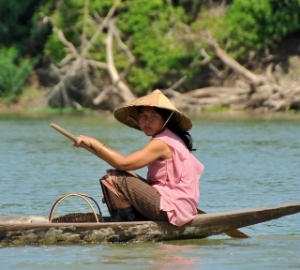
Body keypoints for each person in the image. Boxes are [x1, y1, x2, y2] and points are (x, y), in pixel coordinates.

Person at [74, 89, 204, 226]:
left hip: (171, 206)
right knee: (113, 183)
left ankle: (129, 227)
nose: (147, 120)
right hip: (176, 205)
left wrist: (93, 142)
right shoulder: (170, 138)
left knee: (116, 178)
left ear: (165, 120)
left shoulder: (161, 143)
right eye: (143, 115)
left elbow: (123, 164)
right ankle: (127, 222)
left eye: (153, 116)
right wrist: (123, 193)